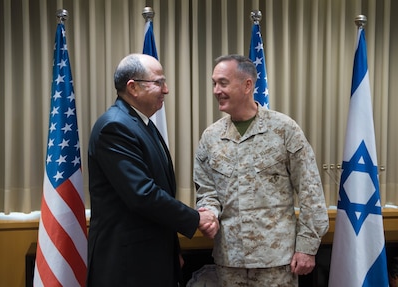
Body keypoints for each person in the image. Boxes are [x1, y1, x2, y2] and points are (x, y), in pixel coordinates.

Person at [194, 54, 329, 286]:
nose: (216, 90)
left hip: (276, 261)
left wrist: (307, 247)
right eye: (214, 83)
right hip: (230, 260)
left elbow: (310, 191)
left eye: (223, 82)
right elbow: (207, 191)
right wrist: (210, 214)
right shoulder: (211, 137)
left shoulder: (284, 129)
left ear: (247, 85)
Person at [87, 53, 218, 287]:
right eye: (158, 82)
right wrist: (196, 218)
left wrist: (171, 250)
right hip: (127, 265)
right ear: (133, 87)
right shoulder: (115, 126)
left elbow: (162, 192)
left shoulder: (141, 123)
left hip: (151, 258)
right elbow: (142, 194)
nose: (166, 89)